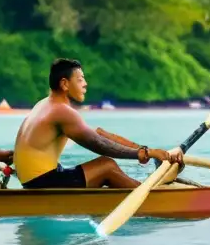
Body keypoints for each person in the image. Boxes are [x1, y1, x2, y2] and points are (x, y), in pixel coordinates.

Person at [13, 58, 183, 189]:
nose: (85, 84)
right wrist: (141, 153)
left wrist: (148, 151)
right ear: (64, 83)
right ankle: (152, 197)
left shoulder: (45, 105)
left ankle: (141, 189)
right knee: (106, 166)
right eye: (80, 80)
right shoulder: (62, 112)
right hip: (41, 183)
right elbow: (99, 145)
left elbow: (99, 135)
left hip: (34, 180)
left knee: (104, 161)